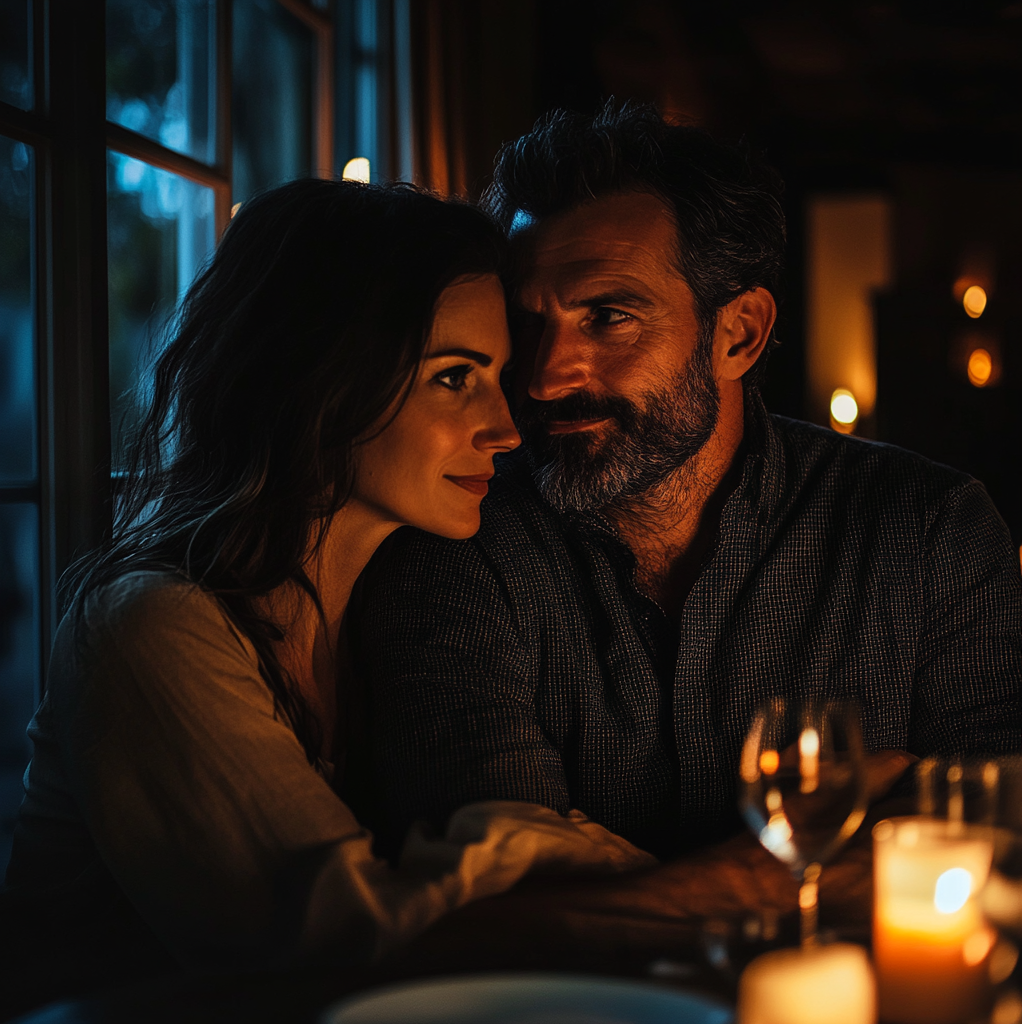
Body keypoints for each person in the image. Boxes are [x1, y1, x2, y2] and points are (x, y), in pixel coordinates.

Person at [0, 179, 654, 1012]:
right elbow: (330, 936)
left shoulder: (397, 610)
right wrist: (552, 847)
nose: (507, 428)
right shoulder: (148, 629)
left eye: (497, 376)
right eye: (455, 378)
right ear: (322, 379)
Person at [356, 103, 1022, 862]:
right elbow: (504, 900)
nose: (543, 379)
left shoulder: (931, 531)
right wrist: (819, 849)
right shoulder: (460, 538)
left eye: (607, 317)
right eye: (529, 324)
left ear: (738, 334)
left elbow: (993, 846)